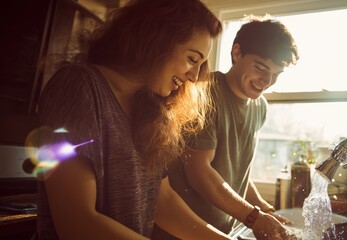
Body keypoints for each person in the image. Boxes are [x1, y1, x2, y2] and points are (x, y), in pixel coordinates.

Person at [35, 0, 231, 239]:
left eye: (201, 65)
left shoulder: (151, 109)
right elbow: (77, 221)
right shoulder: (78, 86)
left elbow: (162, 200)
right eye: (192, 59)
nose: (195, 77)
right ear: (156, 39)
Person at [152, 16, 299, 240]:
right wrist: (253, 217)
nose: (267, 80)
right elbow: (199, 171)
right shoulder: (204, 92)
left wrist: (264, 210)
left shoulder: (260, 106)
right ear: (237, 52)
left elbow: (235, 171)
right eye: (261, 68)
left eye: (276, 74)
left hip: (222, 232)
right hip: (183, 231)